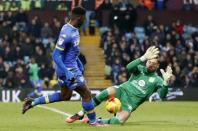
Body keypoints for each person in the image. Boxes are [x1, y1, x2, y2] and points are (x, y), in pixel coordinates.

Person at [22, 6, 104, 126]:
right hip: (68, 70)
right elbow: (55, 55)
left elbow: (72, 52)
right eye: (84, 18)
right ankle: (93, 122)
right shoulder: (67, 33)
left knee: (65, 95)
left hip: (70, 67)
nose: (85, 21)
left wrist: (79, 63)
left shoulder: (73, 29)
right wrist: (67, 71)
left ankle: (33, 102)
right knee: (86, 93)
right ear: (79, 18)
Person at [66, 46, 173, 125]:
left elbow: (162, 95)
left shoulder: (157, 79)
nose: (151, 64)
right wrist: (143, 57)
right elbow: (128, 67)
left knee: (117, 122)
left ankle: (95, 121)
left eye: (154, 63)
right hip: (122, 91)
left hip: (130, 103)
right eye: (149, 61)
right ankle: (80, 113)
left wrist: (165, 83)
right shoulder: (139, 69)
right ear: (146, 62)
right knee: (107, 92)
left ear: (158, 66)